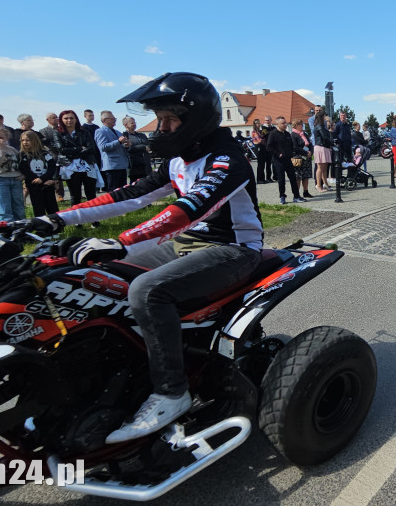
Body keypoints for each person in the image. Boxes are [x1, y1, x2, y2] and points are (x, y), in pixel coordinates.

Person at [26, 72, 264, 443]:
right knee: (92, 277)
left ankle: (172, 392)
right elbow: (129, 195)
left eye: (170, 119)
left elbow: (190, 209)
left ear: (196, 119)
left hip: (233, 250)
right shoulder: (180, 159)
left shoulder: (226, 159)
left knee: (146, 292)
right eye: (160, 119)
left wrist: (122, 242)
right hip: (187, 244)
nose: (162, 127)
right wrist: (54, 219)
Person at [56, 110, 101, 207]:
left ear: (76, 119)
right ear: (61, 120)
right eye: (66, 118)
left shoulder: (84, 132)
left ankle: (94, 219)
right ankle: (77, 219)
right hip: (69, 166)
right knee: (75, 195)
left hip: (87, 164)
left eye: (72, 118)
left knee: (91, 194)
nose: (69, 120)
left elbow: (91, 148)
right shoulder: (58, 133)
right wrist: (80, 148)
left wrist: (72, 151)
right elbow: (62, 150)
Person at [18, 130, 58, 217]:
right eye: (23, 140)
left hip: (48, 183)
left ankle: (56, 227)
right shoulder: (22, 155)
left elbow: (52, 167)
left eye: (28, 140)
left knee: (52, 207)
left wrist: (44, 179)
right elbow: (25, 170)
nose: (25, 142)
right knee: (38, 208)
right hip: (34, 185)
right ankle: (42, 228)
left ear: (34, 140)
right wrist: (38, 180)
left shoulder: (44, 153)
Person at [266, 116, 305, 204]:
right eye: (283, 123)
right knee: (281, 179)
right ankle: (282, 196)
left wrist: (294, 153)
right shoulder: (273, 134)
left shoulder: (287, 134)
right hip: (278, 161)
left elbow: (292, 146)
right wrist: (277, 154)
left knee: (293, 178)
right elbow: (269, 147)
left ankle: (296, 196)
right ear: (277, 124)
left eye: (285, 122)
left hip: (288, 160)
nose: (285, 124)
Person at [95, 110, 130, 191]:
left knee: (123, 189)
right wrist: (118, 141)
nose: (114, 120)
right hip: (112, 166)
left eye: (115, 118)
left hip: (122, 164)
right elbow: (103, 147)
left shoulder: (117, 132)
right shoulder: (100, 131)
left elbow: (122, 146)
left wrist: (127, 145)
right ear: (104, 120)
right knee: (113, 190)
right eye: (111, 118)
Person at [122, 115, 151, 183]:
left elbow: (149, 145)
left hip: (146, 165)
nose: (134, 124)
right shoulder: (125, 136)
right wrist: (143, 147)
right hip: (135, 167)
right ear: (126, 125)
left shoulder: (142, 135)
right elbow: (129, 148)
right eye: (132, 123)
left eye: (135, 122)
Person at [290, 119, 313, 198]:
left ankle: (305, 191)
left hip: (306, 158)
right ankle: (297, 193)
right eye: (301, 125)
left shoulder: (304, 134)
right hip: (298, 158)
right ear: (296, 126)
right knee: (298, 177)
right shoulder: (293, 135)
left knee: (306, 176)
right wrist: (305, 152)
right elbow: (295, 147)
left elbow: (310, 144)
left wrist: (310, 152)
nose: (302, 126)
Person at [313, 115, 333, 191]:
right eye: (325, 118)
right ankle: (318, 185)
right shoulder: (319, 127)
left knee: (325, 168)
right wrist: (332, 143)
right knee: (320, 167)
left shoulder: (323, 127)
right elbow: (324, 137)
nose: (326, 121)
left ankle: (325, 184)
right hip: (320, 147)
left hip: (325, 147)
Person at [251, 118, 271, 183]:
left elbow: (264, 137)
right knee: (260, 164)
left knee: (263, 163)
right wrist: (263, 139)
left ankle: (263, 179)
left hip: (262, 147)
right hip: (258, 147)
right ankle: (259, 179)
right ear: (254, 124)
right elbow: (259, 140)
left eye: (259, 123)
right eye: (257, 123)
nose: (258, 124)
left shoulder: (260, 131)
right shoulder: (254, 131)